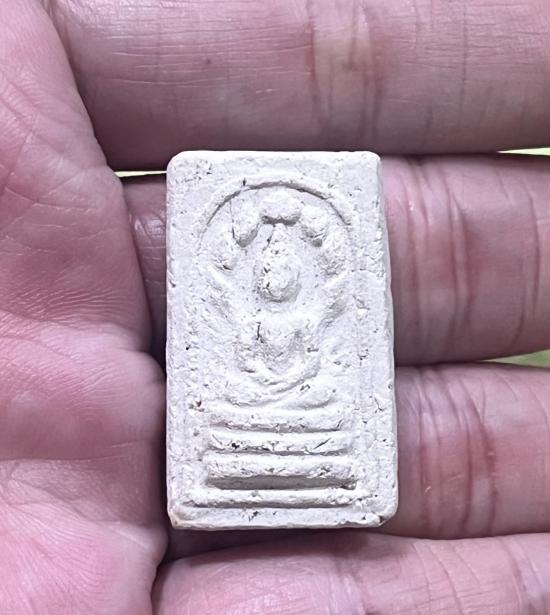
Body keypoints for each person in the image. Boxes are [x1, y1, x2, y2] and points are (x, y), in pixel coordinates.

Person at [1, 1, 549, 612]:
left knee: (324, 403)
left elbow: (323, 350)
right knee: (231, 409)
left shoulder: (311, 311)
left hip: (308, 410)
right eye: (268, 269)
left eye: (287, 268)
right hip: (249, 410)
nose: (276, 275)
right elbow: (235, 350)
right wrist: (260, 381)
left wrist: (303, 376)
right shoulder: (247, 312)